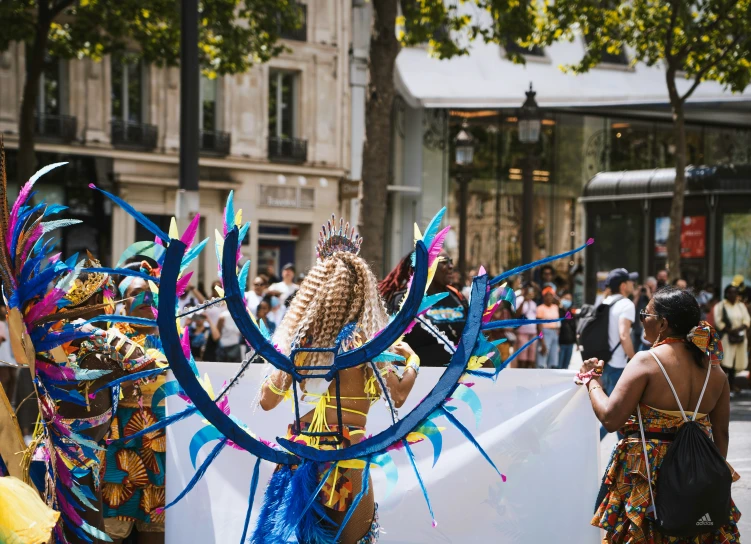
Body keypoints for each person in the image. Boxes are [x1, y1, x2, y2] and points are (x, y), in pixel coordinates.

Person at [258, 224, 420, 544]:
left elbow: (266, 400)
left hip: (301, 456)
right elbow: (397, 395)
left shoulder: (303, 343)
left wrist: (286, 360)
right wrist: (413, 361)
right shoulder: (366, 343)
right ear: (363, 291)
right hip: (344, 458)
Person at [580, 288, 740, 543]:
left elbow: (611, 419)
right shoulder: (715, 372)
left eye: (646, 314)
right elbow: (721, 434)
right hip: (697, 477)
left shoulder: (647, 361)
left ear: (663, 323)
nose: (642, 319)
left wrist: (591, 380)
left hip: (648, 475)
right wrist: (706, 481)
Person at [600, 268, 637, 439]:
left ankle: (589, 444)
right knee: (619, 418)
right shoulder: (626, 304)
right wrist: (635, 358)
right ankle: (624, 459)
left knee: (612, 414)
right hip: (618, 366)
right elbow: (624, 335)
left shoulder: (604, 302)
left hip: (605, 364)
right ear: (623, 286)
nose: (632, 284)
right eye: (630, 281)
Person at [714, 284, 750, 396]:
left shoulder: (741, 306)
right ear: (726, 293)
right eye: (730, 292)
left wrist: (740, 328)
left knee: (735, 362)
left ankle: (732, 385)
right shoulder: (721, 305)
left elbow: (747, 320)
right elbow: (718, 321)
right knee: (725, 362)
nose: (733, 295)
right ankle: (723, 386)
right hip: (727, 338)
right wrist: (730, 330)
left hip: (739, 338)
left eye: (735, 292)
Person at [514, 284, 538, 369]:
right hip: (522, 332)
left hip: (533, 333)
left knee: (531, 358)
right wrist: (524, 300)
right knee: (522, 357)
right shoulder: (518, 300)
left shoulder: (534, 303)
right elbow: (517, 314)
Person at [536, 286, 560, 369]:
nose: (549, 297)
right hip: (545, 332)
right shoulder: (540, 308)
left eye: (551, 295)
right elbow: (539, 325)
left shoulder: (555, 307)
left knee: (553, 357)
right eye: (547, 295)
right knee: (543, 354)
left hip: (555, 332)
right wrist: (542, 341)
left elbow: (557, 322)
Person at [558, 292, 577, 370]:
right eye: (566, 299)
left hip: (570, 343)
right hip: (560, 343)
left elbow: (574, 327)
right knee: (559, 365)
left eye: (569, 299)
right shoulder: (558, 311)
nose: (567, 301)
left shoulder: (571, 312)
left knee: (566, 366)